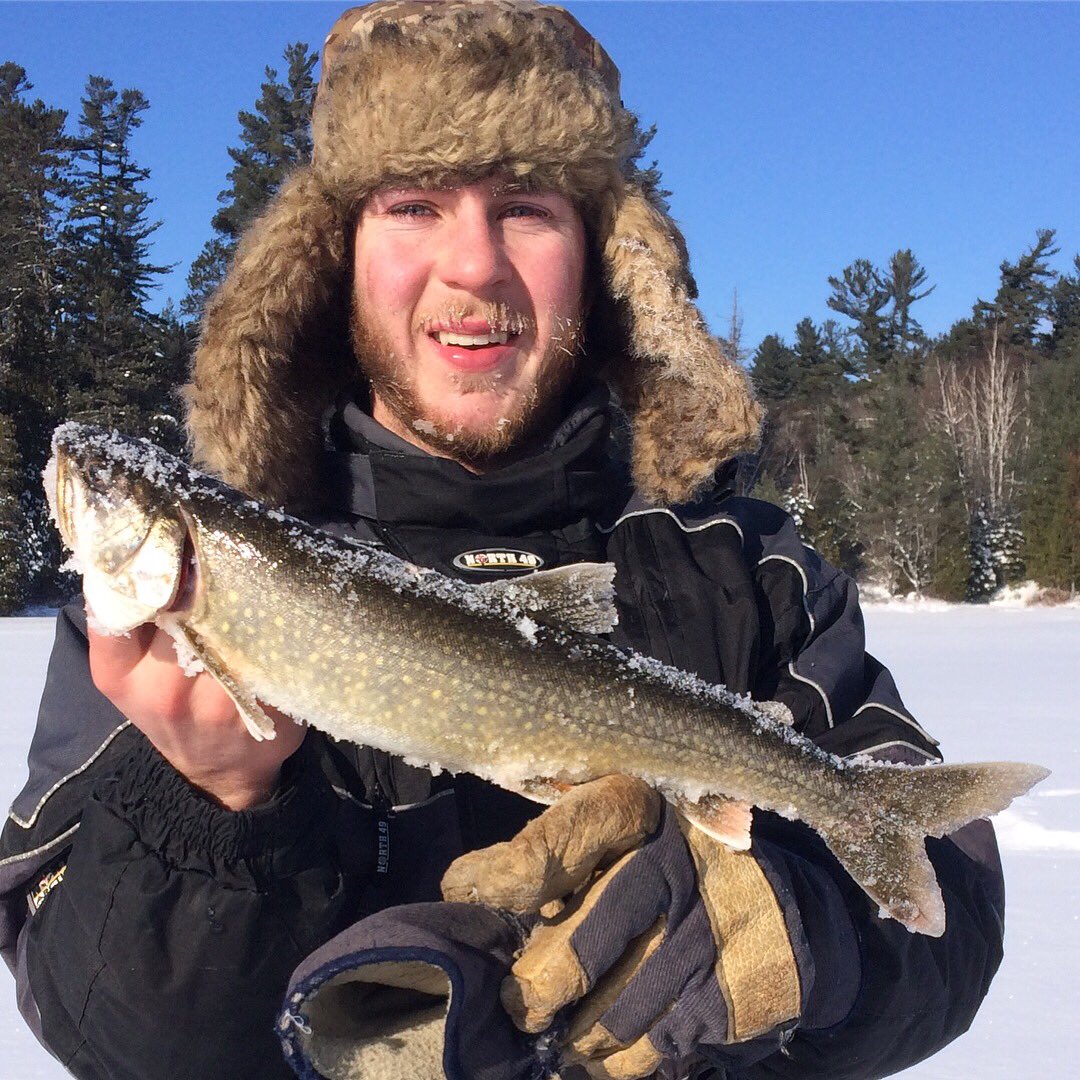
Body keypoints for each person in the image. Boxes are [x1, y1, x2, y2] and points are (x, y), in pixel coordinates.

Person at [1, 3, 1007, 1078]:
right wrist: (211, 808)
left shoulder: (747, 572)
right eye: (413, 205)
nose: (473, 265)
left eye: (525, 208)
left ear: (603, 260)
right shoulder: (149, 650)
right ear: (335, 256)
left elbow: (948, 930)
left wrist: (805, 934)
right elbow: (106, 1034)